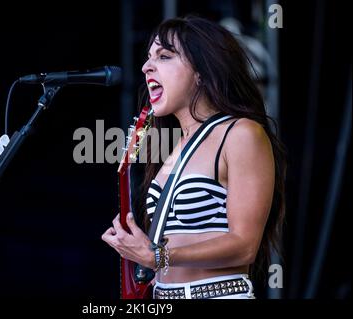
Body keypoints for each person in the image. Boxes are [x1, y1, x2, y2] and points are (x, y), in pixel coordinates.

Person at [101, 15, 286, 299]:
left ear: (201, 71)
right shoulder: (176, 147)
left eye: (164, 56)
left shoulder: (241, 133)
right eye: (148, 57)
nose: (146, 66)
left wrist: (159, 257)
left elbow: (245, 244)